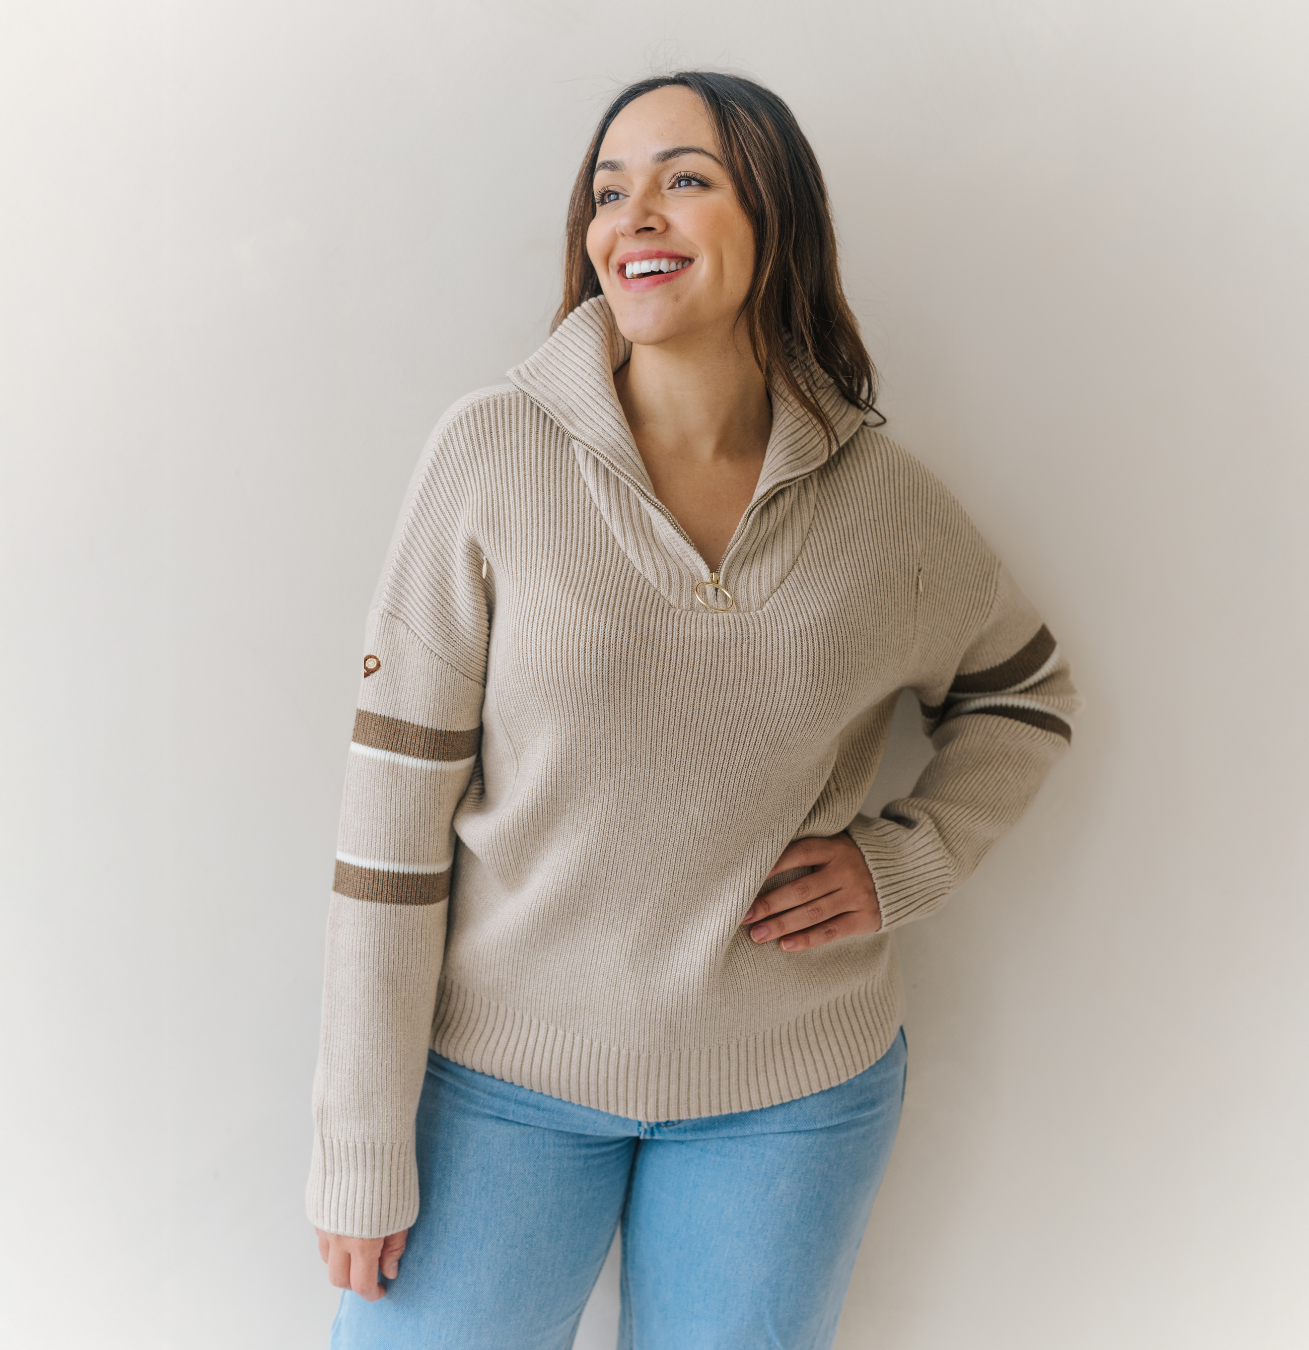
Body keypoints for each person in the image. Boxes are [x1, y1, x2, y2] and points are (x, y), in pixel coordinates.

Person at [307, 70, 1080, 1350]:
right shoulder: (491, 455)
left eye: (685, 179)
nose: (635, 217)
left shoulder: (881, 501)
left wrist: (907, 859)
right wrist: (360, 1144)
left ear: (775, 218)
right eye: (610, 191)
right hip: (498, 1085)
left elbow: (1026, 691)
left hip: (791, 1095)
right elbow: (389, 832)